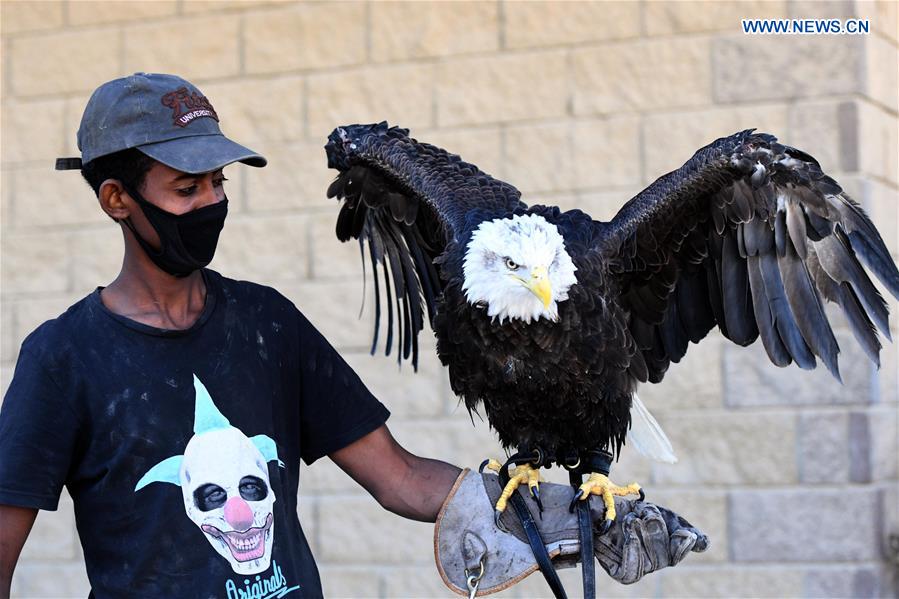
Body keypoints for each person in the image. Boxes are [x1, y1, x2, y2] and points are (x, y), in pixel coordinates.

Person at [0, 73, 704, 599]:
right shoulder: (63, 358)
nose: (211, 202)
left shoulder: (267, 325)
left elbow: (395, 476)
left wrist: (551, 512)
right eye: (187, 190)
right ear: (117, 199)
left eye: (218, 182)